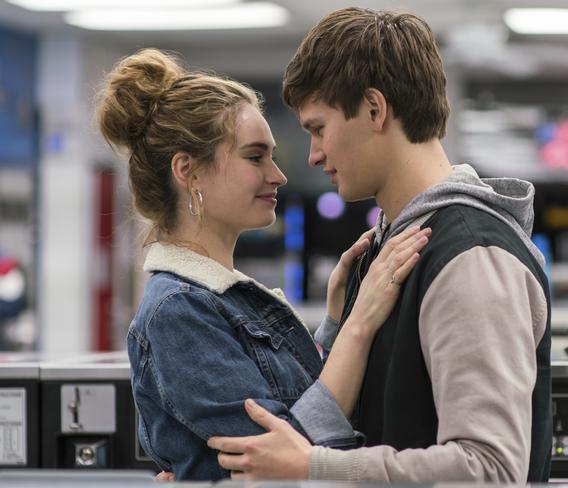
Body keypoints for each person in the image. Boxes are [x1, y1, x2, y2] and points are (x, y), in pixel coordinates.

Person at [208, 7, 552, 484]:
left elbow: (489, 469)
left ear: (374, 109)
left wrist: (313, 467)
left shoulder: (470, 259)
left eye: (318, 128)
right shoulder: (387, 249)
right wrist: (336, 326)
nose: (314, 155)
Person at [95, 48, 429, 481]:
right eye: (255, 157)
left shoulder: (227, 300)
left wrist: (334, 324)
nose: (278, 175)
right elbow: (284, 459)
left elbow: (304, 412)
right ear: (188, 171)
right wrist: (361, 323)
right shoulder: (178, 312)